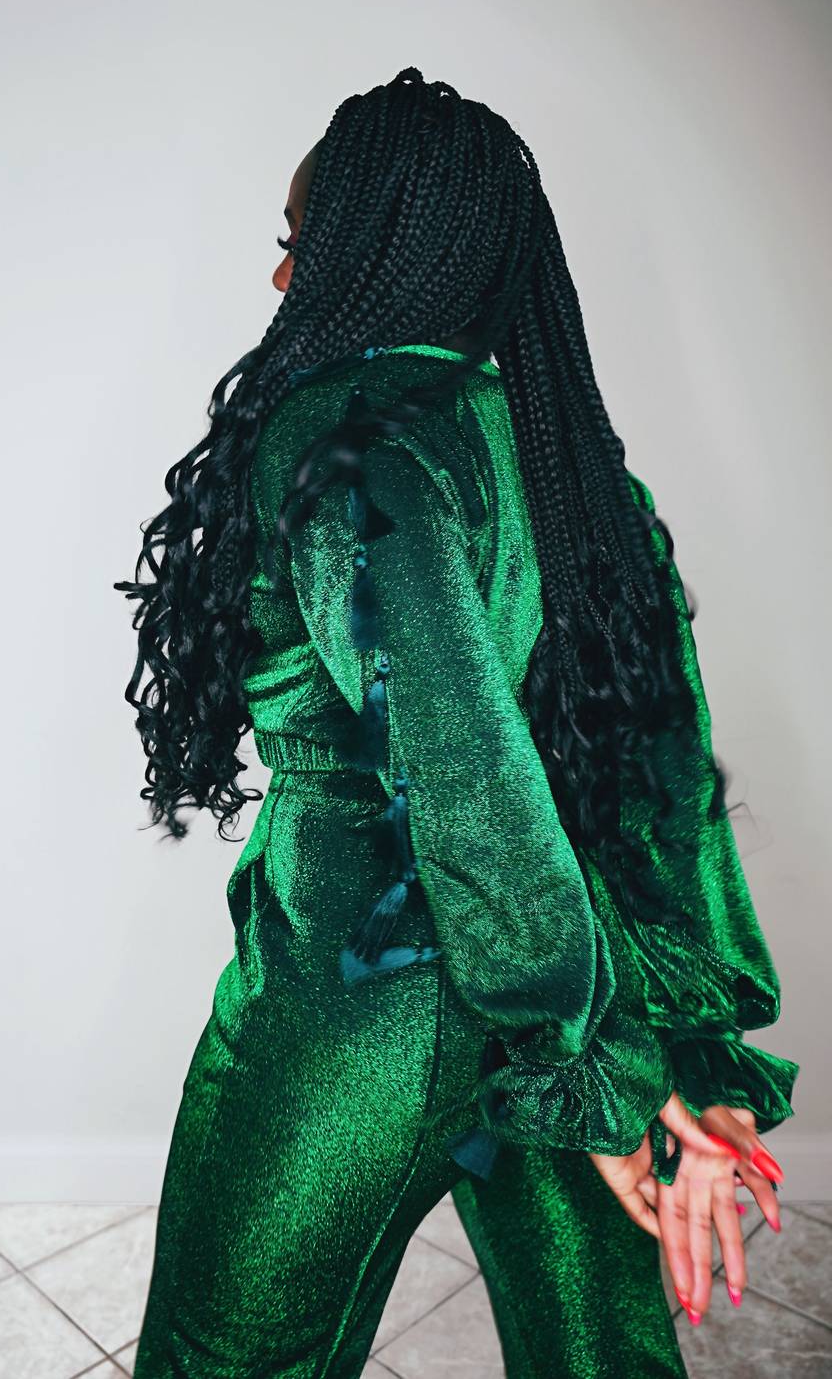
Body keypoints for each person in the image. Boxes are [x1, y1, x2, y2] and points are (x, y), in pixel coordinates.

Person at [114, 67, 800, 1378]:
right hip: (573, 991)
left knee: (222, 1359)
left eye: (298, 241)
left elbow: (454, 764)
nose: (280, 278)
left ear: (365, 252)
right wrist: (671, 1058)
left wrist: (590, 1062)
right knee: (601, 1361)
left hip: (362, 1004)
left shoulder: (341, 437)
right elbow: (660, 781)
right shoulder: (574, 462)